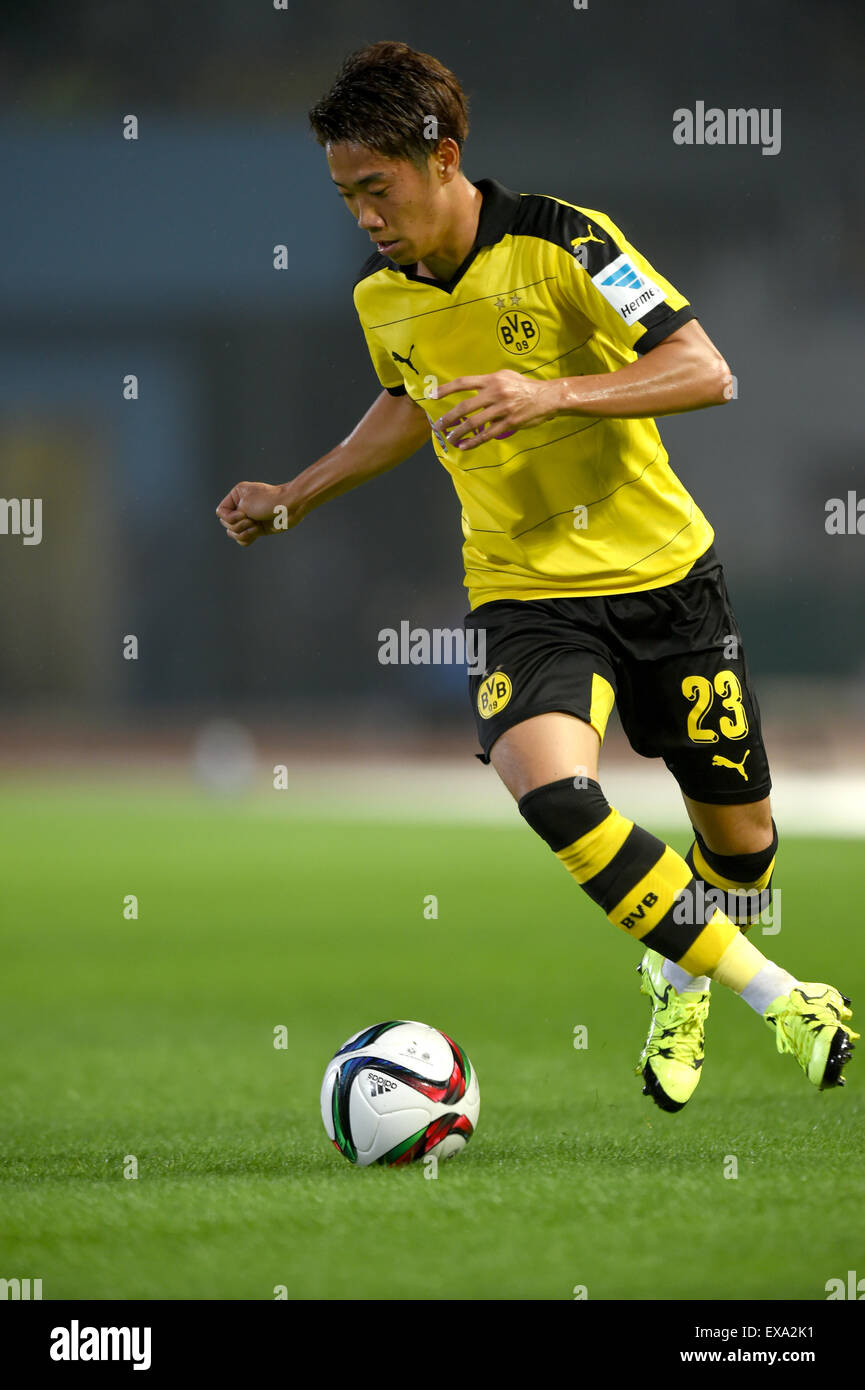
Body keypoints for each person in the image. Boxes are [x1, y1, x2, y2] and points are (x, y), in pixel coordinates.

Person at [216, 40, 856, 1109]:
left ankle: (678, 972)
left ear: (443, 156)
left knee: (739, 845)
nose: (365, 216)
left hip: (664, 576)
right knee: (553, 791)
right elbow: (407, 404)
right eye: (345, 196)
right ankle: (780, 996)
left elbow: (706, 370)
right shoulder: (387, 298)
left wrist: (550, 393)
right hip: (524, 593)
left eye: (376, 188)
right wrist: (297, 492)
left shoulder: (569, 242)